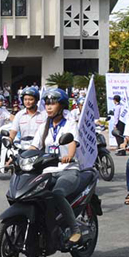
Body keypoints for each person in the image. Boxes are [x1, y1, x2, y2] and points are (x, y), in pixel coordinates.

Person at [30, 88, 83, 243]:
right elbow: (35, 146)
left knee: (57, 193)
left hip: (68, 170)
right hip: (48, 170)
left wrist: (69, 156)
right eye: (47, 103)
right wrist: (21, 157)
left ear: (62, 106)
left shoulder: (70, 124)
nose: (49, 107)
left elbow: (72, 142)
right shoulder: (44, 126)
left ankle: (75, 228)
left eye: (53, 103)